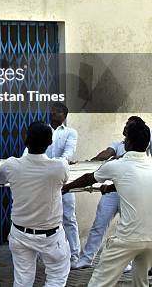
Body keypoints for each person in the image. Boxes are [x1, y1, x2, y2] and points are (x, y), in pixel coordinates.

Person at [63, 121, 152, 287]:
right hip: (151, 239)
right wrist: (110, 188)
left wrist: (64, 188)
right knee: (141, 282)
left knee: (99, 282)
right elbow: (136, 182)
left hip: (128, 239)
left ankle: (87, 259)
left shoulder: (117, 165)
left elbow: (88, 178)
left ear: (127, 143)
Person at [0, 122, 70, 286]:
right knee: (56, 278)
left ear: (25, 140)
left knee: (23, 280)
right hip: (51, 235)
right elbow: (64, 180)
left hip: (20, 233)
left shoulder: (11, 165)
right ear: (50, 142)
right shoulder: (59, 166)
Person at [76, 116, 146, 269]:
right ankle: (87, 259)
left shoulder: (145, 144)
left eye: (129, 125)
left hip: (131, 192)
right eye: (126, 124)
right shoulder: (119, 143)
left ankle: (128, 263)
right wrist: (92, 161)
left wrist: (119, 159)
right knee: (99, 223)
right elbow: (106, 153)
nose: (126, 127)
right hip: (112, 191)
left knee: (127, 226)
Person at [46, 102, 80, 267]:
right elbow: (29, 151)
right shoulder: (42, 130)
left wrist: (49, 165)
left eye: (58, 112)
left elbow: (68, 154)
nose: (54, 114)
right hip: (44, 181)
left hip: (64, 179)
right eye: (52, 111)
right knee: (45, 217)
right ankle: (46, 255)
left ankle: (74, 255)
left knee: (68, 217)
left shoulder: (70, 133)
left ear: (64, 116)